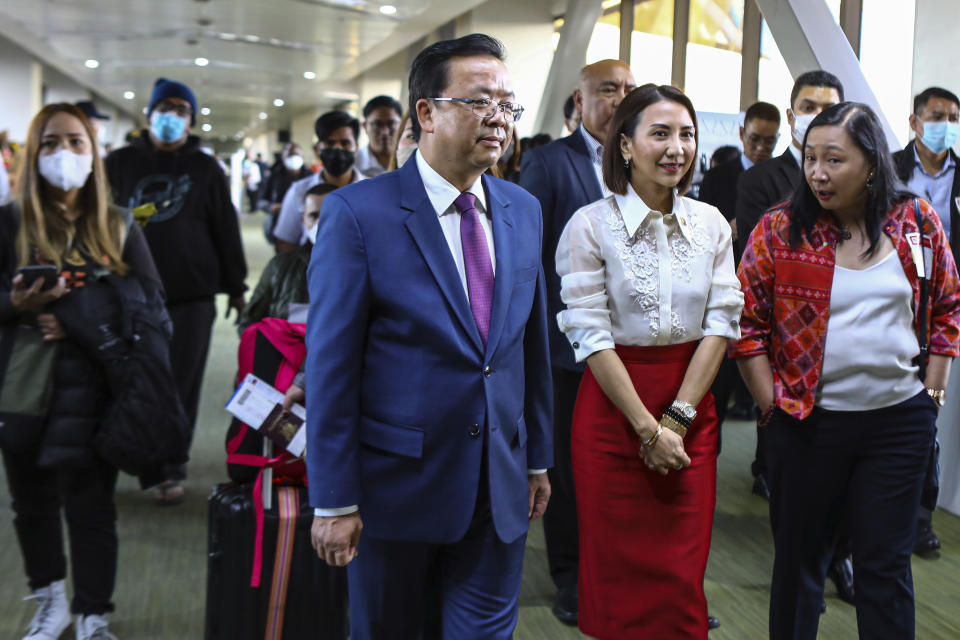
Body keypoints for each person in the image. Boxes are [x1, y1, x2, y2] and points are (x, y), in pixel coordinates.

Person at [305, 33, 553, 639]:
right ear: (426, 112)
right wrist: (333, 500)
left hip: (499, 484)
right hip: (399, 490)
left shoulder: (522, 209)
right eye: (479, 101)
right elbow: (332, 368)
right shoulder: (360, 214)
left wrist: (537, 456)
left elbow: (529, 348)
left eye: (507, 105)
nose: (498, 118)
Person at [732, 101, 960, 640]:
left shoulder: (915, 221)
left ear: (873, 163)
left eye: (834, 159)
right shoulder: (780, 229)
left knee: (883, 569)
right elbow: (745, 324)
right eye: (811, 158)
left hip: (897, 425)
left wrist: (932, 392)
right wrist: (771, 406)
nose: (817, 173)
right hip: (808, 424)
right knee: (799, 568)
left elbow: (948, 304)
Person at [555, 83, 742, 639]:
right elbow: (590, 335)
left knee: (681, 574)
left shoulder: (711, 222)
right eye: (660, 133)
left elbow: (720, 324)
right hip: (614, 414)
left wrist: (678, 418)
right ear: (626, 145)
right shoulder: (589, 224)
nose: (677, 147)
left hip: (691, 408)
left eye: (686, 134)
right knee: (616, 578)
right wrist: (646, 427)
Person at [1, 103, 166, 640]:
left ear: (93, 154)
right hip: (22, 386)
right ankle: (50, 604)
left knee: (91, 507)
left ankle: (94, 614)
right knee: (32, 505)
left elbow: (149, 305)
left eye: (75, 142)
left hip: (96, 390)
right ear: (33, 153)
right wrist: (17, 303)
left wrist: (78, 316)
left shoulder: (117, 224)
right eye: (49, 143)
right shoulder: (9, 221)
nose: (63, 154)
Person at [517, 58, 635, 626]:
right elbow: (530, 259)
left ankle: (636, 578)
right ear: (579, 102)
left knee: (628, 471)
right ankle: (571, 578)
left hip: (635, 348)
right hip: (567, 350)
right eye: (608, 89)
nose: (621, 98)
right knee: (567, 468)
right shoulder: (548, 163)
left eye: (629, 89)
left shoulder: (650, 165)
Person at [105, 77, 247, 504]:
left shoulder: (205, 168)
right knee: (133, 379)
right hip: (129, 293)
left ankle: (170, 464)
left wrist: (237, 286)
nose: (173, 118)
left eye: (182, 111)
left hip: (191, 295)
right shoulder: (119, 163)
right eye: (165, 109)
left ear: (191, 119)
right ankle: (134, 455)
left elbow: (225, 227)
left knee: (181, 382)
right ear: (149, 114)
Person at [734, 71, 844, 507]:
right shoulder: (761, 180)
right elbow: (755, 269)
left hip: (844, 342)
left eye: (829, 109)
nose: (818, 117)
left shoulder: (862, 182)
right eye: (809, 107)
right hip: (783, 338)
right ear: (791, 114)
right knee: (792, 475)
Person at [893, 86, 960, 555]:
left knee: (926, 417)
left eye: (954, 117)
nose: (947, 125)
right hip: (893, 307)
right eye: (937, 116)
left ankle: (919, 518)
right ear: (915, 122)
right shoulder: (888, 169)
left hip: (944, 311)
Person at [699, 101, 780, 426]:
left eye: (769, 141)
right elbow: (700, 228)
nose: (761, 147)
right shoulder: (718, 176)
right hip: (722, 285)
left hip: (764, 293)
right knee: (715, 384)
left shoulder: (781, 177)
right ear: (742, 133)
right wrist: (725, 229)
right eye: (755, 139)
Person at [238, 182, 335, 334]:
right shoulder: (281, 266)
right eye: (314, 215)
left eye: (328, 215)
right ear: (303, 219)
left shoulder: (363, 268)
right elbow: (249, 323)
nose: (320, 223)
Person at [272, 111, 367, 252]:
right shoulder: (299, 191)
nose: (337, 148)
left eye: (345, 143)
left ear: (356, 148)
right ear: (318, 149)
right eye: (330, 143)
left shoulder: (371, 190)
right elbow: (285, 242)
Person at [258, 142, 312, 241]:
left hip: (305, 228)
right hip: (280, 226)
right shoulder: (274, 177)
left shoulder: (311, 177)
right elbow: (261, 201)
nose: (294, 157)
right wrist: (271, 207)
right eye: (290, 155)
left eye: (296, 154)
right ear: (283, 157)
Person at [355, 95, 403, 177]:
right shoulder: (354, 164)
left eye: (391, 124)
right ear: (365, 126)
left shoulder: (414, 162)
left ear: (402, 125)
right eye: (377, 124)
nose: (385, 132)